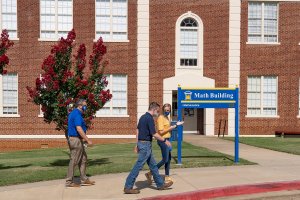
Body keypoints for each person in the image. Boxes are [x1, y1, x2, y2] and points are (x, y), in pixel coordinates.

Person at [124, 102, 174, 194]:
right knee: (138, 166)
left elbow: (138, 130)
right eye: (157, 111)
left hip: (143, 144)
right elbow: (154, 134)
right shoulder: (149, 118)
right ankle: (128, 187)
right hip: (145, 145)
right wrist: (165, 140)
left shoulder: (143, 117)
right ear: (154, 110)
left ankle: (160, 184)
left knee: (153, 166)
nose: (158, 113)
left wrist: (137, 144)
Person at [145, 103, 184, 184]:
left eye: (168, 110)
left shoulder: (167, 118)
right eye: (166, 110)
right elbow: (161, 132)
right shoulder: (160, 118)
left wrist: (176, 125)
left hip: (168, 139)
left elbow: (167, 129)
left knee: (168, 159)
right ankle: (150, 173)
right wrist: (173, 126)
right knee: (165, 159)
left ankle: (167, 176)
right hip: (162, 140)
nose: (167, 111)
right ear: (163, 110)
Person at [66, 99, 95, 187]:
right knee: (74, 160)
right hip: (75, 140)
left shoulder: (75, 113)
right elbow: (79, 128)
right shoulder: (77, 114)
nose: (86, 107)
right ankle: (69, 181)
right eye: (85, 105)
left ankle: (84, 178)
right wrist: (87, 140)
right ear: (80, 106)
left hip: (77, 140)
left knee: (83, 159)